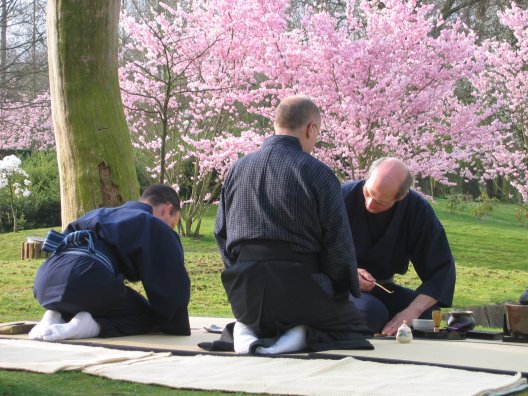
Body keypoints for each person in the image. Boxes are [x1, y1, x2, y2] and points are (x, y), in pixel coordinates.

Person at [214, 95, 372, 355]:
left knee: (262, 318)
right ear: (311, 128)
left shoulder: (237, 169)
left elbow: (221, 235)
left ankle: (245, 332)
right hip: (301, 287)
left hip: (245, 290)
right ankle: (294, 338)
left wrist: (242, 271)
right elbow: (338, 243)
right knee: (353, 324)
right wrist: (342, 288)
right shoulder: (317, 172)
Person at [29, 184, 191, 341]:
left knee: (92, 298)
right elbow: (170, 284)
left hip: (45, 281)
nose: (170, 229)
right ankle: (91, 326)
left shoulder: (96, 213)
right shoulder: (152, 223)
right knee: (150, 315)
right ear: (167, 209)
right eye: (172, 225)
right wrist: (174, 323)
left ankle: (54, 315)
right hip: (86, 278)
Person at [342, 157, 456, 336]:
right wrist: (346, 273)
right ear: (367, 178)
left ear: (401, 196)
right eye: (368, 193)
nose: (370, 204)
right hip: (341, 287)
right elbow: (313, 253)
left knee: (426, 314)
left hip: (383, 288)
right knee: (372, 313)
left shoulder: (417, 210)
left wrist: (412, 311)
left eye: (381, 202)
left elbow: (441, 270)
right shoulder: (340, 197)